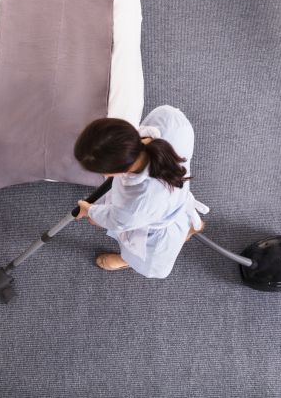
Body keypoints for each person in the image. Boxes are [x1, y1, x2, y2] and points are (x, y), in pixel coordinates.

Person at [74, 105, 209, 278]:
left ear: (109, 172)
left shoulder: (136, 205)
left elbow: (116, 220)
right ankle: (187, 229)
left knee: (141, 255)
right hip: (171, 198)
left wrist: (90, 211)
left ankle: (127, 260)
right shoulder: (168, 119)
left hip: (156, 226)